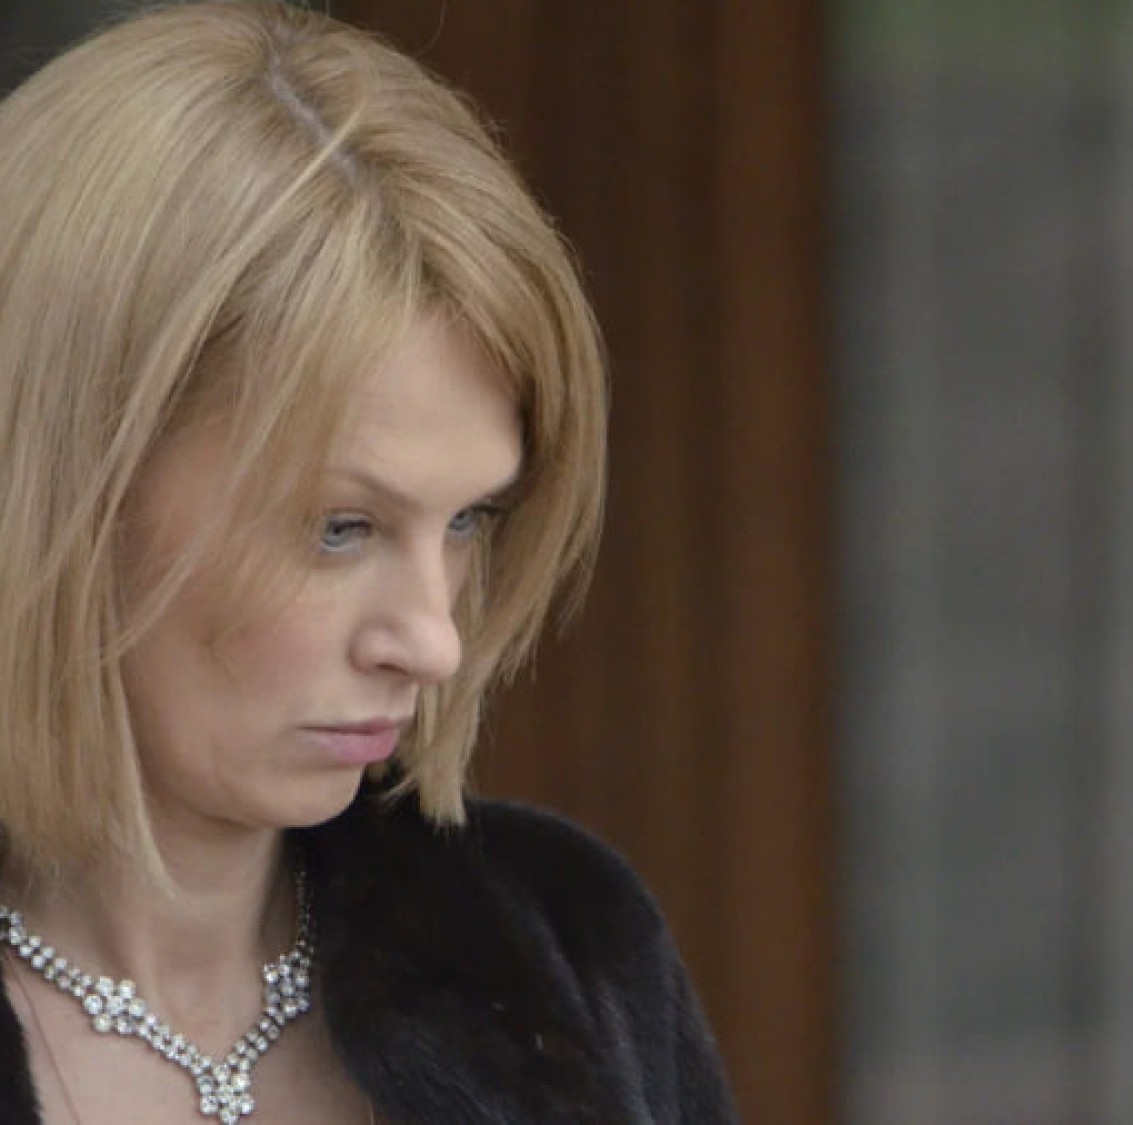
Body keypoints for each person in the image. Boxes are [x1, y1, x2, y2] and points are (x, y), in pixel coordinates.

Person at [0, 2, 737, 1122]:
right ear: (66, 487)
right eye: (341, 527)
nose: (434, 642)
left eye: (468, 520)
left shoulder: (564, 947)